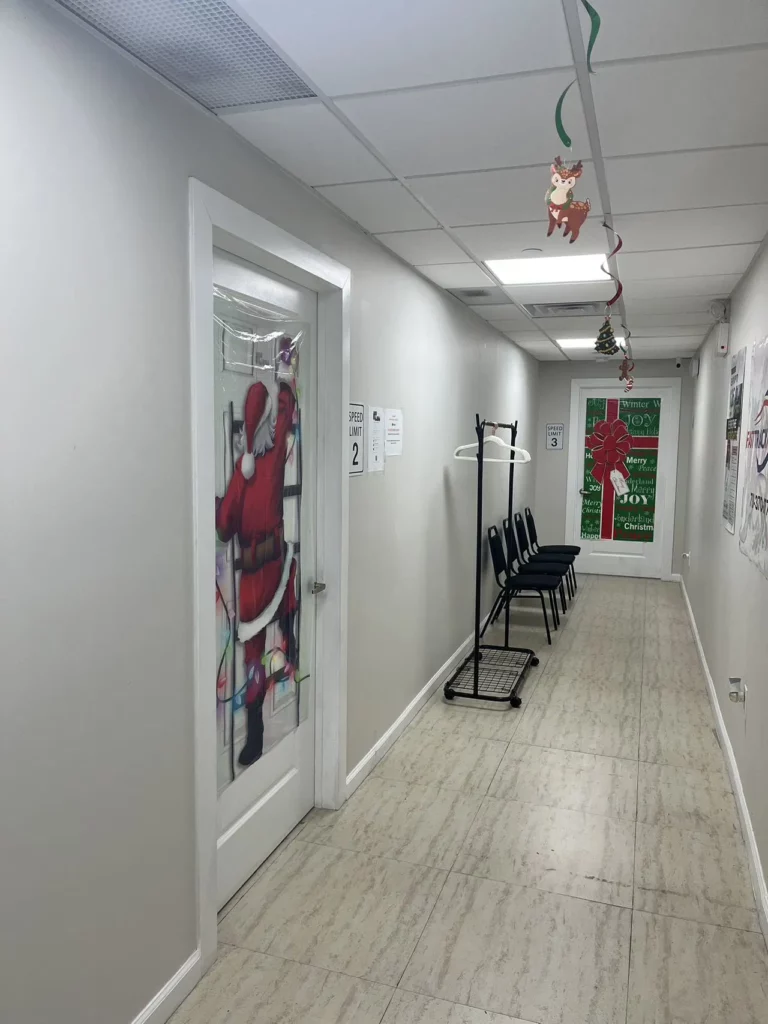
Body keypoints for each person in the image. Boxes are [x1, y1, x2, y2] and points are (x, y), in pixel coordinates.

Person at [216, 377, 297, 765]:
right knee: (253, 659)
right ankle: (257, 728)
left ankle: (291, 648)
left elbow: (224, 525)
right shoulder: (256, 465)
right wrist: (285, 388)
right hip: (258, 575)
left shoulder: (264, 461)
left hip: (268, 573)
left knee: (260, 652)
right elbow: (223, 526)